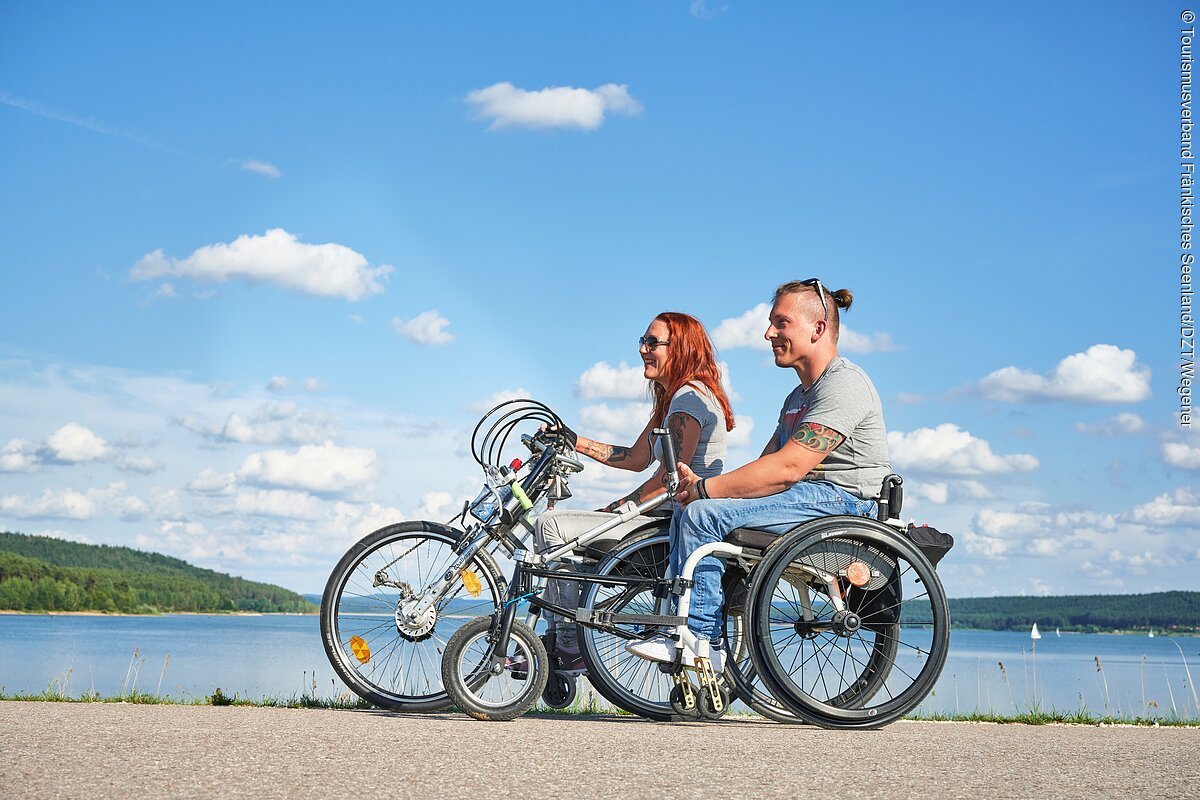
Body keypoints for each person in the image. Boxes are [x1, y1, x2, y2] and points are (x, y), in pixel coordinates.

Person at [627, 279, 890, 672]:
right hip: (807, 498)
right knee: (694, 509)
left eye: (780, 323)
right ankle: (686, 624)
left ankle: (701, 640)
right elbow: (766, 464)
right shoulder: (797, 398)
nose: (769, 333)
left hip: (843, 499)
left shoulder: (844, 384)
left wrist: (704, 490)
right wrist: (703, 490)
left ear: (817, 329)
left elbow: (787, 469)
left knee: (703, 513)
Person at [534, 311, 736, 674]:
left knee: (552, 527)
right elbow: (635, 458)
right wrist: (574, 440)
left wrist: (621, 508)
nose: (643, 349)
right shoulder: (672, 400)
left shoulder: (688, 400)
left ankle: (568, 642)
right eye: (642, 341)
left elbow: (669, 480)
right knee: (568, 528)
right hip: (661, 514)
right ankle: (560, 639)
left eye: (652, 342)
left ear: (682, 349)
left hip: (672, 519)